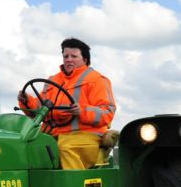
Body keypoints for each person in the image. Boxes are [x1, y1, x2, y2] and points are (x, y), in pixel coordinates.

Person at [17, 38, 117, 169]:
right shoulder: (54, 80)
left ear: (85, 59)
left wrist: (82, 111)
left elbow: (107, 112)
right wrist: (27, 101)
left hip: (85, 136)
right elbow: (41, 108)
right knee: (25, 147)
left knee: (64, 148)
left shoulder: (97, 80)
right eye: (66, 56)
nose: (69, 59)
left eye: (74, 56)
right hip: (52, 134)